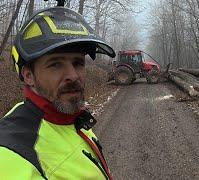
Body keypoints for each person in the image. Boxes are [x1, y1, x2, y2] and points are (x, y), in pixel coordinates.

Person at [0, 6, 115, 180]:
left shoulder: (69, 118)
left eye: (78, 63)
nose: (73, 76)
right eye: (55, 64)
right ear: (28, 76)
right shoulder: (13, 154)